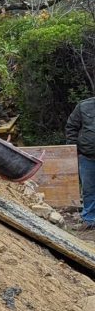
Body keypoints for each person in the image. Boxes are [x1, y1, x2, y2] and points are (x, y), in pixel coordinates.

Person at [66, 95, 95, 227]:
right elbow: (71, 127)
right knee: (88, 189)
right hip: (87, 156)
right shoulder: (84, 106)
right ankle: (89, 219)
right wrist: (73, 150)